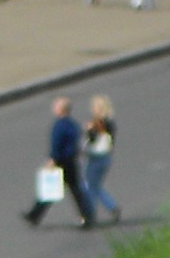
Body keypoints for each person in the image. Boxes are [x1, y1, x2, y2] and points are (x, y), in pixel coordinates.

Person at [25, 94, 95, 228]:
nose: (53, 108)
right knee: (74, 190)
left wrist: (52, 159)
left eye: (55, 106)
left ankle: (34, 215)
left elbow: (56, 144)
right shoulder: (73, 124)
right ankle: (86, 216)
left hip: (61, 161)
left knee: (50, 188)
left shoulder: (59, 125)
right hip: (71, 161)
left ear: (60, 109)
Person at [83, 93, 120, 222]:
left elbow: (92, 139)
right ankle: (112, 207)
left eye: (94, 107)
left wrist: (88, 130)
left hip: (96, 158)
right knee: (95, 185)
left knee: (89, 186)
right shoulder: (110, 123)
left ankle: (91, 214)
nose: (92, 109)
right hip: (106, 158)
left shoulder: (98, 124)